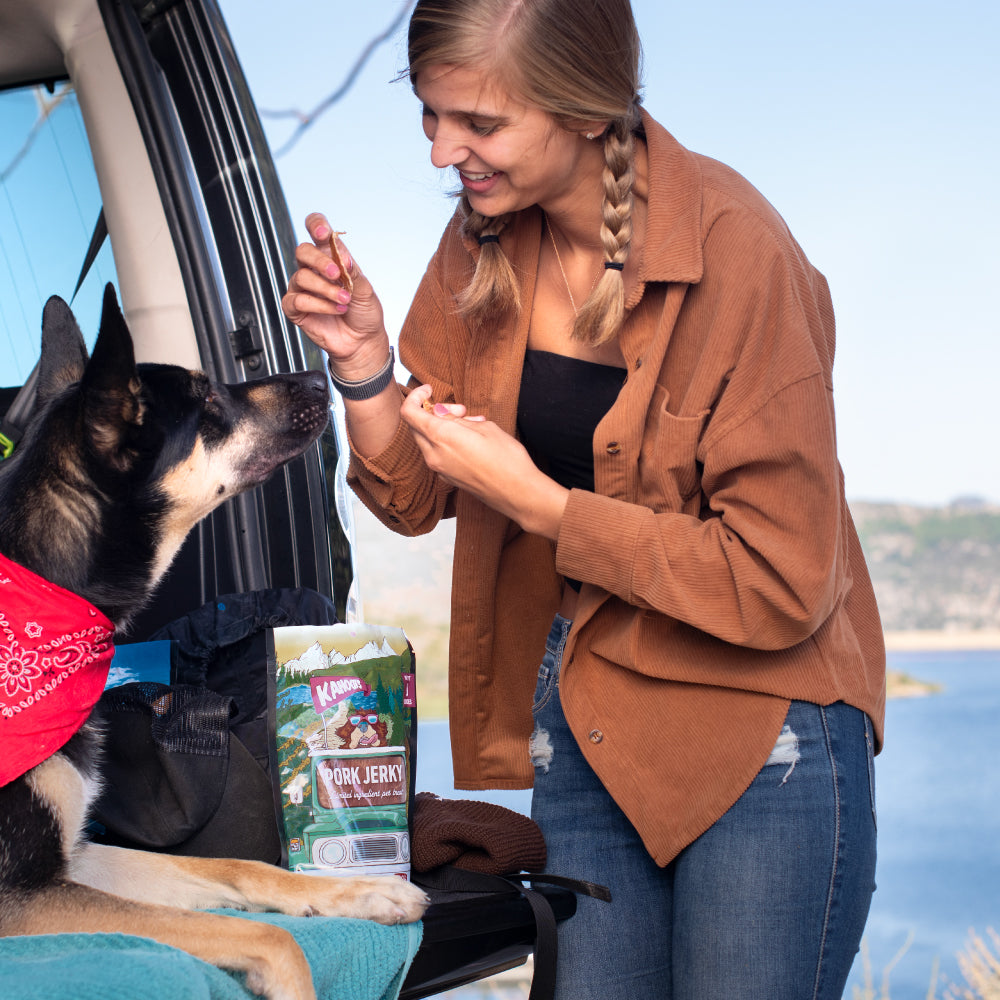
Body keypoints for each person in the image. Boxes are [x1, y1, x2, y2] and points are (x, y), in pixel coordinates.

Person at [281, 1, 886, 996]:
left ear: (585, 111)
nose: (443, 151)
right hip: (586, 726)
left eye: (478, 123)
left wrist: (545, 509)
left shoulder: (745, 256)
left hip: (758, 740)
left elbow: (784, 580)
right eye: (430, 115)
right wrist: (362, 367)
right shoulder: (478, 248)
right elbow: (412, 491)